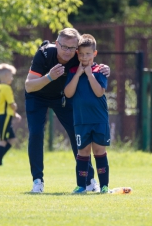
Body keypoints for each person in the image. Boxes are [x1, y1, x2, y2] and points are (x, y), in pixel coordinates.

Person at [25, 28, 110, 193]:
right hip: (37, 96)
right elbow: (29, 86)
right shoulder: (43, 54)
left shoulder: (78, 58)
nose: (67, 51)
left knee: (76, 133)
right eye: (63, 47)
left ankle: (89, 181)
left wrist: (105, 69)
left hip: (61, 97)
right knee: (35, 134)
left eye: (72, 48)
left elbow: (93, 63)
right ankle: (37, 180)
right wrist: (49, 77)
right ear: (56, 44)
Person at [64, 34, 111, 193]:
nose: (84, 57)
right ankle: (81, 186)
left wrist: (89, 74)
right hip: (81, 120)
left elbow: (99, 93)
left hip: (99, 120)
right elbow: (68, 94)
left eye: (88, 54)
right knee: (83, 153)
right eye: (82, 54)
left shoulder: (100, 71)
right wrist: (78, 74)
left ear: (94, 54)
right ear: (77, 54)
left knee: (99, 152)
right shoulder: (72, 71)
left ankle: (104, 186)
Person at [0, 63, 21, 166]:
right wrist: (15, 107)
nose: (12, 78)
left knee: (12, 139)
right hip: (4, 115)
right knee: (3, 139)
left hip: (5, 115)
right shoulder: (6, 88)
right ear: (5, 76)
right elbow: (11, 103)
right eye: (11, 76)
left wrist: (15, 114)